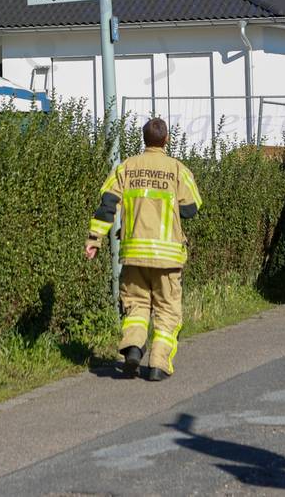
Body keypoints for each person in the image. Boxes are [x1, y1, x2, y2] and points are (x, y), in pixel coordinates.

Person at [85, 118, 202, 381]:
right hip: (168, 258)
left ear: (143, 139)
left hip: (133, 254)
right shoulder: (177, 169)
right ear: (167, 139)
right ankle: (158, 365)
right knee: (167, 311)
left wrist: (94, 239)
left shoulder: (126, 168)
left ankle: (133, 349)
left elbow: (107, 204)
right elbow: (191, 208)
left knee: (136, 306)